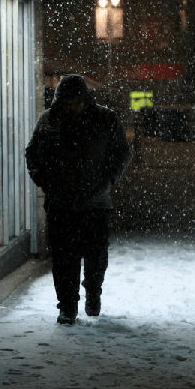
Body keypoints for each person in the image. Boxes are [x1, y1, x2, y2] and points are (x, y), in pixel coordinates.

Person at [25, 74, 131, 325]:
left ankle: (93, 293)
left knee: (96, 256)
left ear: (85, 99)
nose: (72, 107)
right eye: (68, 102)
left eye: (77, 102)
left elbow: (122, 153)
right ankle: (67, 306)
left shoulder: (105, 119)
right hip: (60, 203)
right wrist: (45, 181)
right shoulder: (49, 120)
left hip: (95, 203)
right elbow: (33, 153)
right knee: (64, 259)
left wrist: (108, 178)